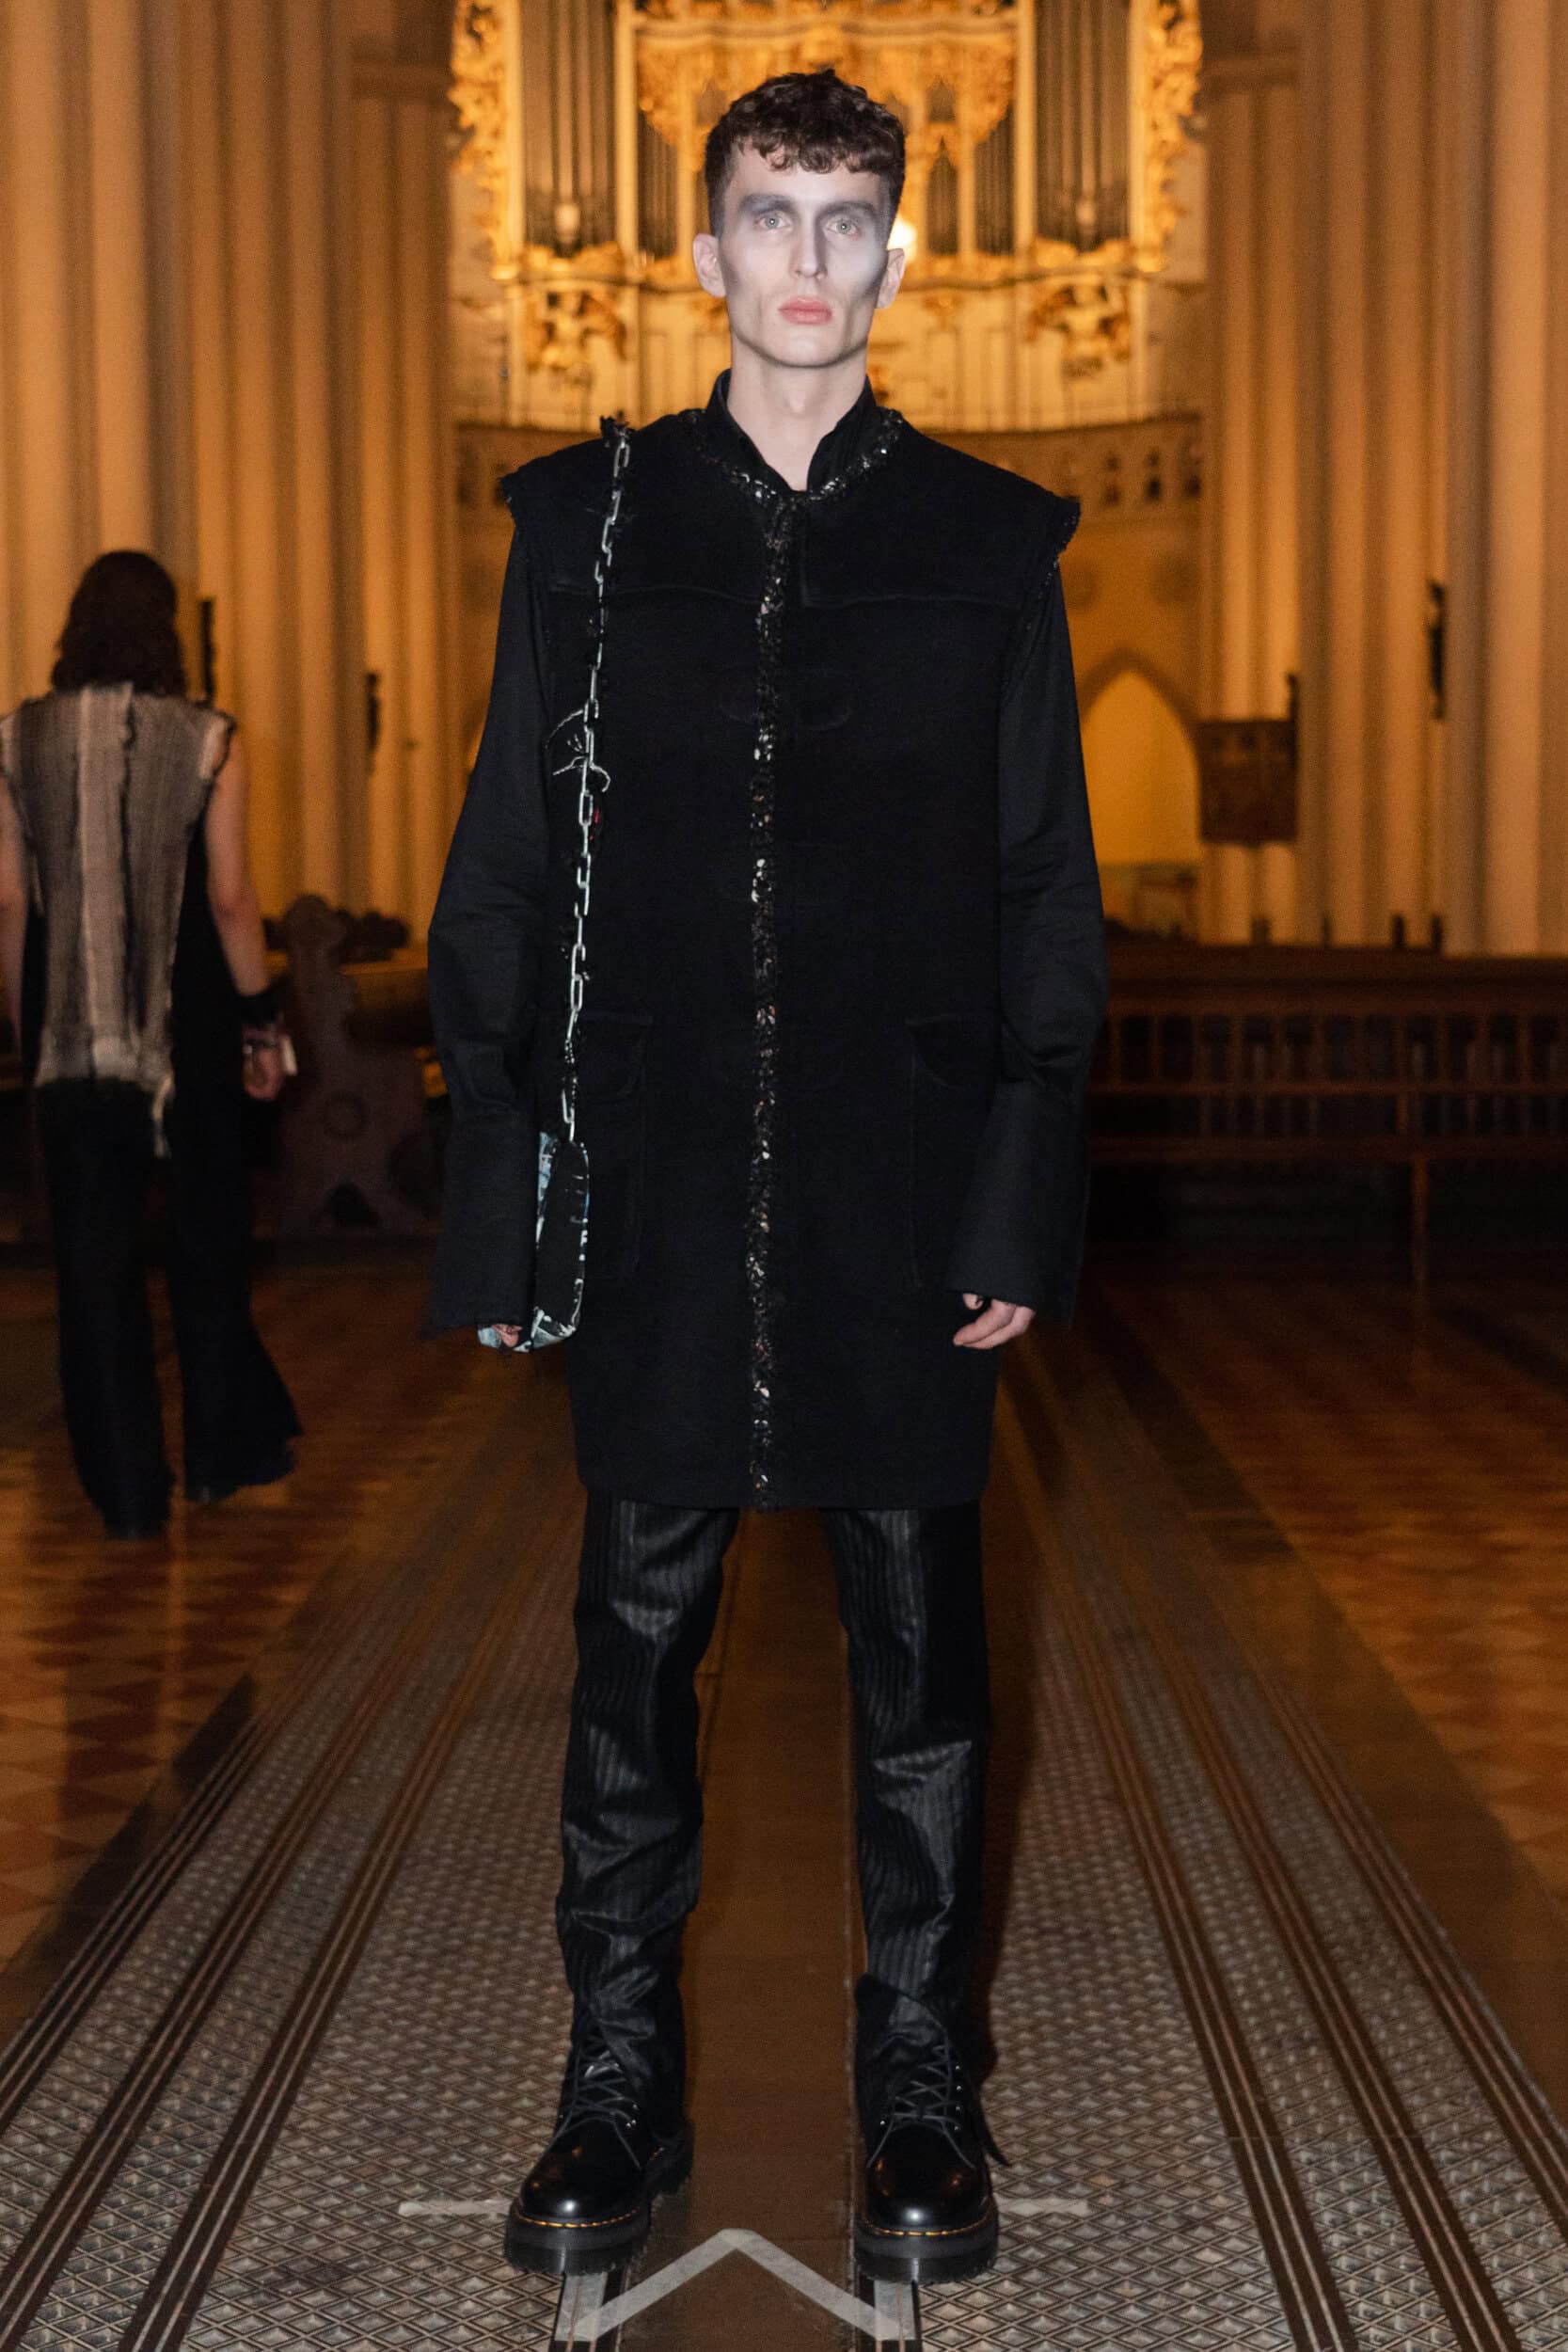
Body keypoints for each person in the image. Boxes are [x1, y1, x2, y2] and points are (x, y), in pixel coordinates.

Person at [426, 69, 1106, 2288]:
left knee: (920, 1662)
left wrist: (1016, 1182)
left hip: (899, 1181)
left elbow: (1041, 888)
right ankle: (613, 2080)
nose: (804, 259)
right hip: (657, 1167)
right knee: (631, 1651)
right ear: (701, 247)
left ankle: (919, 2079)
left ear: (894, 251)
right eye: (766, 215)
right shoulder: (586, 524)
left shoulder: (990, 545)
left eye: (842, 218)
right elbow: (506, 863)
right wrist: (506, 1170)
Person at [0, 552, 300, 1541]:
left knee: (93, 1268)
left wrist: (27, 1027)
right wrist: (264, 1027)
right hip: (192, 1032)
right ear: (168, 630)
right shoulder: (210, 737)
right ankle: (216, 1458)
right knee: (208, 1244)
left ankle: (128, 1497)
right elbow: (231, 899)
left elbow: (9, 899)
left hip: (71, 1036)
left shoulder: (16, 738)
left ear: (75, 626)